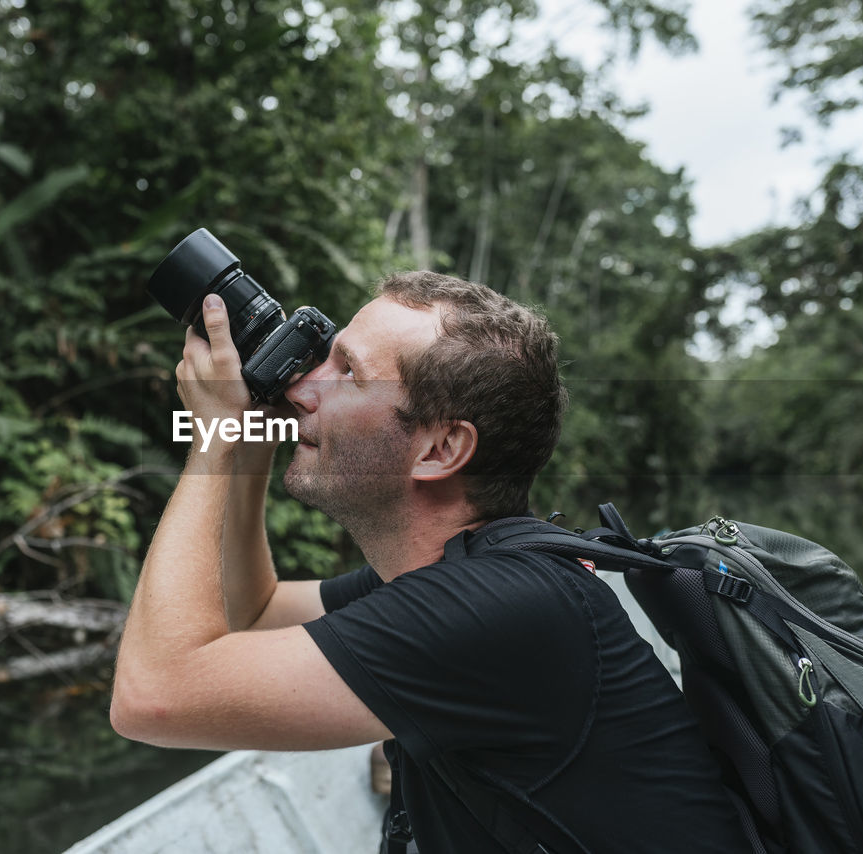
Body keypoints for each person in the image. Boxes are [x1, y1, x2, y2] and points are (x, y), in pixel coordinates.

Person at [110, 271, 748, 853]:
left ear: (440, 449)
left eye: (347, 372)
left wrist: (213, 440)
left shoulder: (501, 607)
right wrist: (249, 430)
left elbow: (151, 697)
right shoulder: (459, 574)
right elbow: (254, 613)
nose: (301, 387)